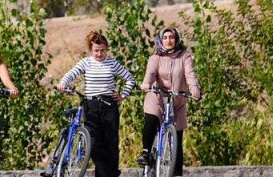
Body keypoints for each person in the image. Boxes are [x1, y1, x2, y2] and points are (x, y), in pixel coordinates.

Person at [57, 30, 134, 177]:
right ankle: (111, 174)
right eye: (96, 51)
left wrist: (123, 95)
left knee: (110, 143)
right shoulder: (85, 63)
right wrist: (63, 83)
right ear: (91, 50)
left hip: (109, 105)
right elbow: (72, 73)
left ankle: (103, 174)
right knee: (92, 143)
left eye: (102, 51)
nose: (99, 54)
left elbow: (129, 78)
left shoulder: (112, 63)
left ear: (107, 49)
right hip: (91, 105)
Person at [138, 27, 201, 176]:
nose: (168, 40)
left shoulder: (184, 57)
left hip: (177, 100)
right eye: (165, 38)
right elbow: (150, 74)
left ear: (176, 39)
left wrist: (195, 89)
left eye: (171, 37)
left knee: (177, 138)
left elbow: (190, 75)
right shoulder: (155, 58)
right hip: (157, 97)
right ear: (161, 40)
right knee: (151, 119)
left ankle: (177, 173)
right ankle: (146, 153)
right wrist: (146, 83)